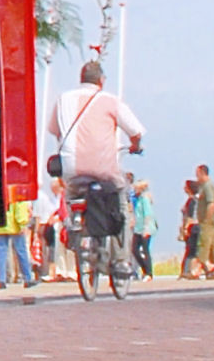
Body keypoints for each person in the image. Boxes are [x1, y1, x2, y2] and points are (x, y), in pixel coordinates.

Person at [47, 56, 144, 274]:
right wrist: (135, 145)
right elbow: (135, 131)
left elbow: (54, 129)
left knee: (73, 197)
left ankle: (75, 226)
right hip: (103, 170)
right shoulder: (110, 100)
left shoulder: (64, 99)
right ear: (101, 81)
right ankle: (121, 261)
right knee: (120, 205)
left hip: (72, 169)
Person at [129, 176, 158, 278]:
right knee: (134, 249)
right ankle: (145, 269)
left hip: (146, 228)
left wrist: (146, 229)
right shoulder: (138, 199)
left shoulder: (145, 199)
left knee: (145, 250)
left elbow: (147, 214)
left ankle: (149, 273)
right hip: (138, 227)